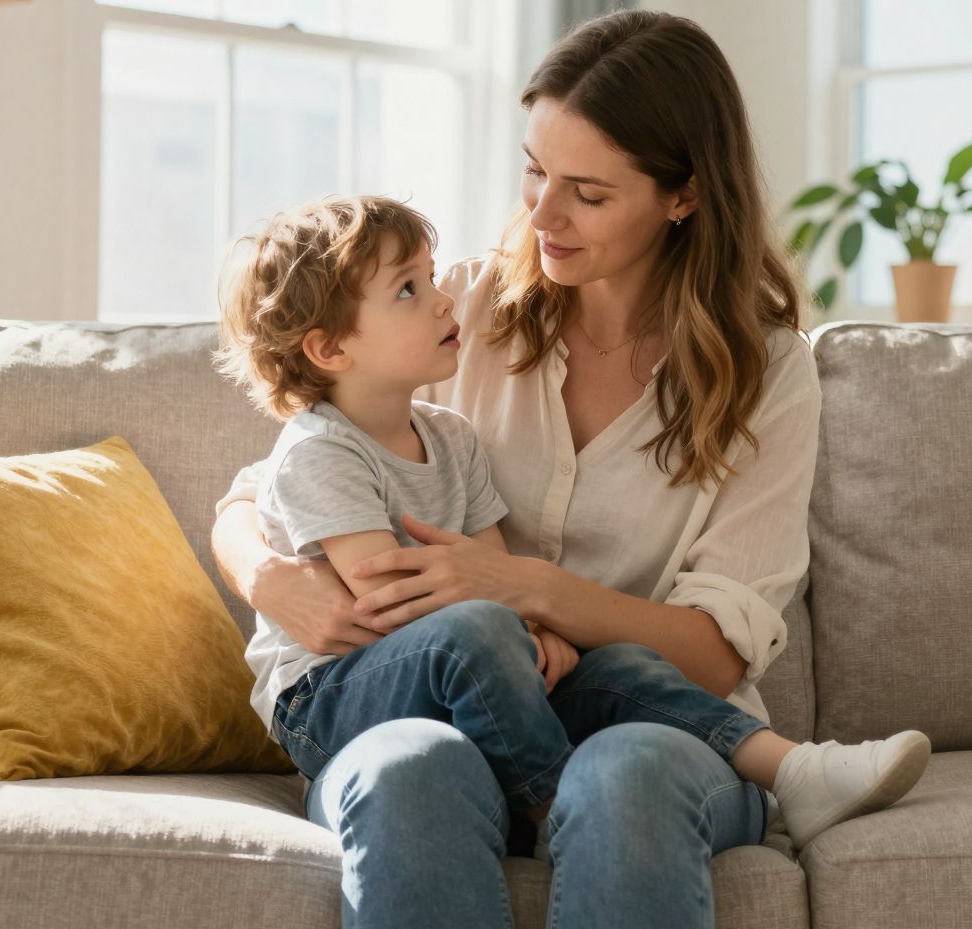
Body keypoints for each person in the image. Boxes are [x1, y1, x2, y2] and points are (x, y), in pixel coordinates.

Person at [210, 10, 925, 929]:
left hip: (646, 725)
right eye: (535, 172)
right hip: (435, 713)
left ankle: (759, 777)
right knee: (405, 766)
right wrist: (268, 579)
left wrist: (524, 591)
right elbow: (273, 483)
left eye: (586, 193)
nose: (543, 215)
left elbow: (716, 649)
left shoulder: (763, 373)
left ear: (683, 197)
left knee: (622, 772)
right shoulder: (459, 312)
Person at [212, 191, 926, 859]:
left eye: (588, 190)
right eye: (409, 289)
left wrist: (534, 629)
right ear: (329, 350)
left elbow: (491, 568)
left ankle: (795, 769)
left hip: (466, 670)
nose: (442, 297)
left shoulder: (450, 435)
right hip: (341, 693)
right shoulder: (320, 448)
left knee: (613, 664)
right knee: (477, 633)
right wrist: (505, 633)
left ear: (680, 197)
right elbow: (387, 598)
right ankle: (553, 806)